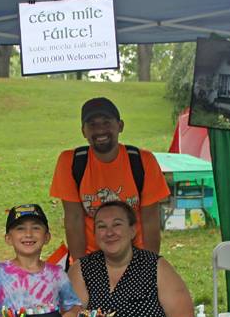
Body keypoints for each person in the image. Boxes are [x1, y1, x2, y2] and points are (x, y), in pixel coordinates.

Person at [50, 97, 170, 260]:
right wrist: (80, 267)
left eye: (106, 122)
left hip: (134, 255)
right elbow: (74, 218)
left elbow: (150, 219)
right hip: (91, 256)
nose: (100, 129)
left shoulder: (143, 161)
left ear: (120, 126)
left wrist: (148, 267)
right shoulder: (71, 162)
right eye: (92, 124)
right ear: (84, 131)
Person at [68, 201, 195, 317]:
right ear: (95, 235)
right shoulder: (81, 268)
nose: (109, 232)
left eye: (117, 224)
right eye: (101, 227)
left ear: (132, 230)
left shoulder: (157, 267)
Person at [0, 204, 82, 317]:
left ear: (47, 237)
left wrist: (70, 315)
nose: (28, 234)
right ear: (8, 239)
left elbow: (75, 305)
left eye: (35, 228)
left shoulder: (57, 273)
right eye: (20, 228)